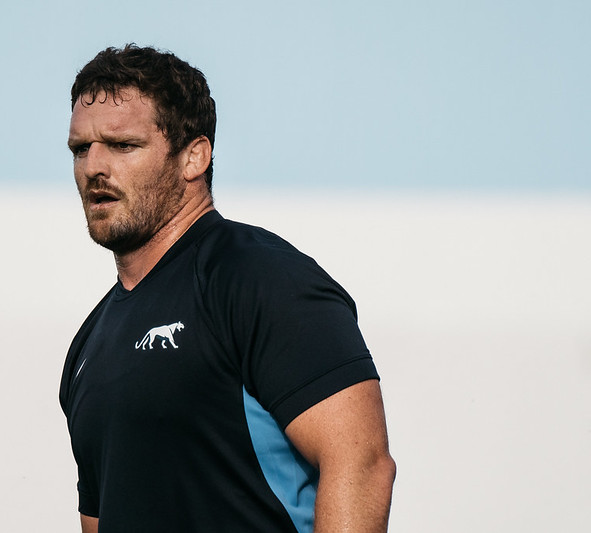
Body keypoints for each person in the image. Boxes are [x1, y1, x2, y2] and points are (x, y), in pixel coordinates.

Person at [59, 44, 395, 533]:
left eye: (123, 145)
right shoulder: (88, 346)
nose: (94, 167)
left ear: (194, 156)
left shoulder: (260, 278)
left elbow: (362, 465)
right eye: (80, 148)